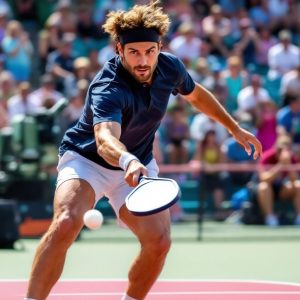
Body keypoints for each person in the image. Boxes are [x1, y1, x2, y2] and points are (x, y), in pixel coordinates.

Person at [25, 2, 262, 300]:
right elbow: (104, 139)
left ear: (160, 47)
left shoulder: (170, 66)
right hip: (87, 161)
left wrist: (233, 127)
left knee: (159, 241)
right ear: (119, 50)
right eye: (134, 52)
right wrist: (127, 159)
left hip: (137, 164)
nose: (143, 60)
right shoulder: (108, 88)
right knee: (66, 222)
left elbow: (197, 95)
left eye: (150, 51)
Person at [257, 134, 300, 227]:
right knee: (263, 187)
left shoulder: (292, 158)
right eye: (280, 149)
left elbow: (294, 179)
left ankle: (298, 218)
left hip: (283, 189)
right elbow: (264, 178)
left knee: (298, 185)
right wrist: (280, 165)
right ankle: (270, 218)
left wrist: (288, 165)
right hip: (269, 190)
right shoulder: (267, 157)